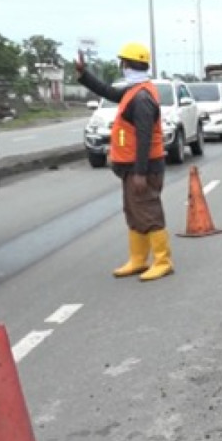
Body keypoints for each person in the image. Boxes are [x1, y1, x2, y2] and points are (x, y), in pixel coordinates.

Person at [74, 42, 174, 282]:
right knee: (134, 212)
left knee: (148, 212)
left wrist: (140, 172)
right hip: (132, 167)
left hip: (144, 167)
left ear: (128, 64)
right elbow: (109, 92)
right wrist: (84, 75)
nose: (121, 66)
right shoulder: (133, 91)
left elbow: (144, 137)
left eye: (123, 62)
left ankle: (162, 261)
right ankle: (138, 259)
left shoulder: (141, 97)